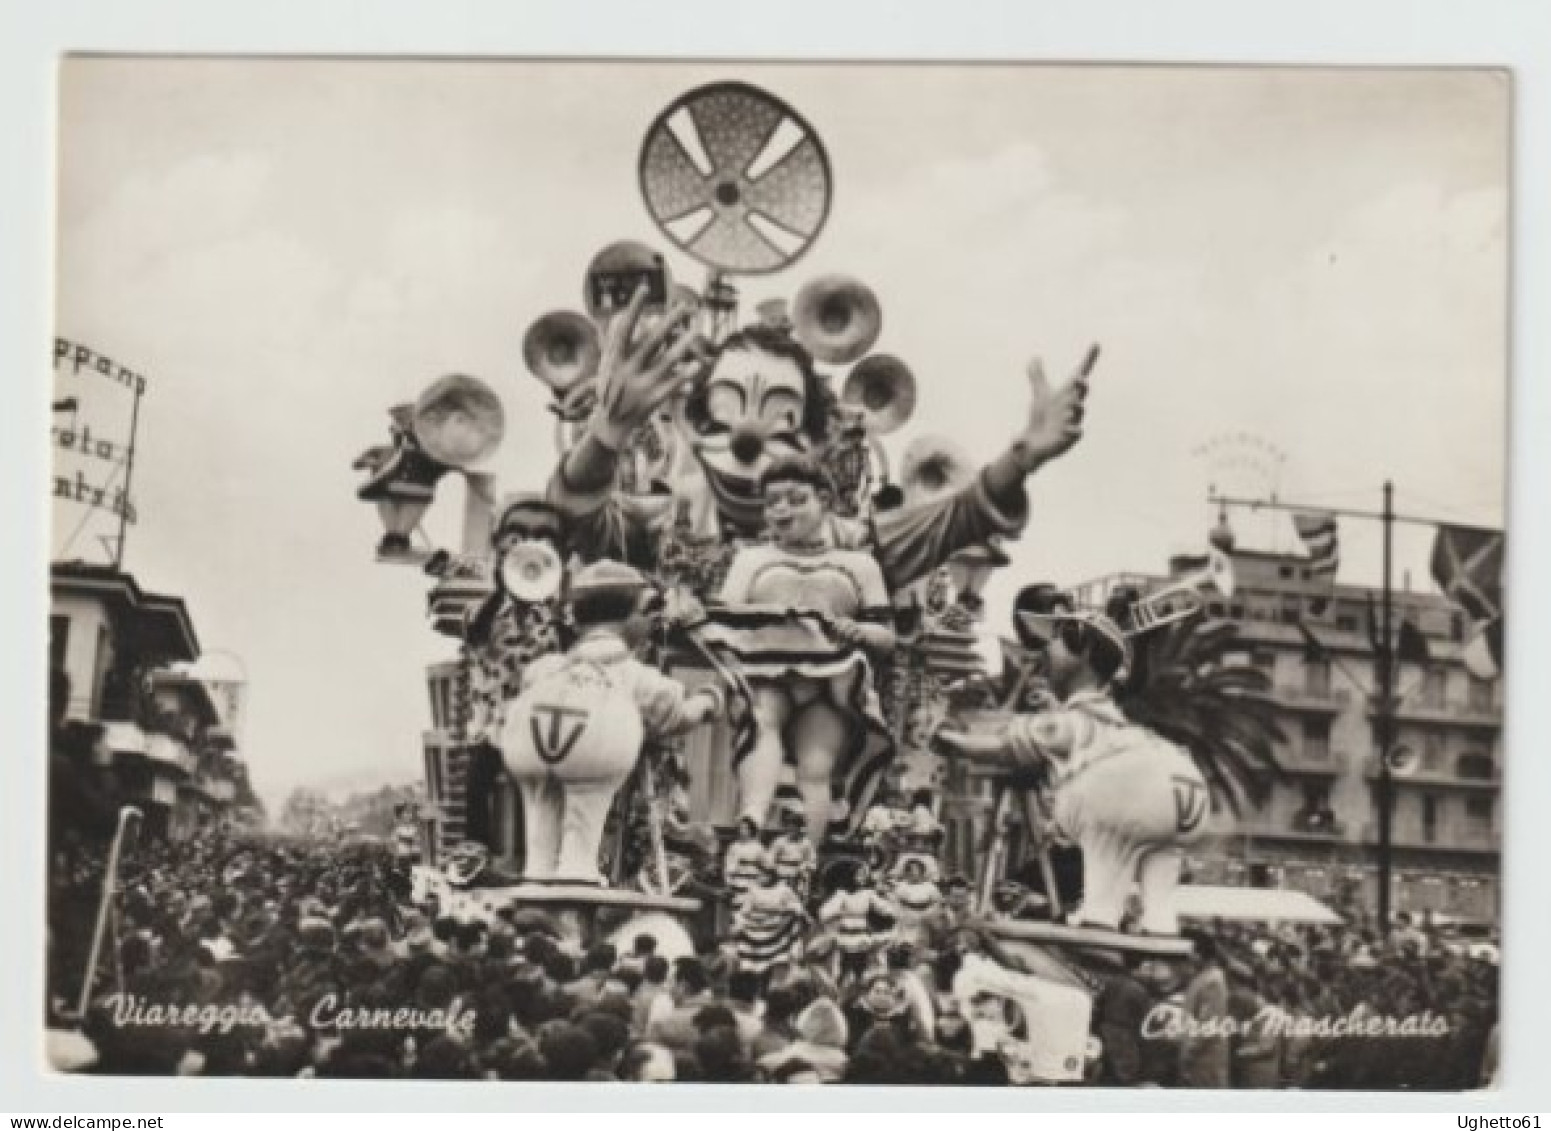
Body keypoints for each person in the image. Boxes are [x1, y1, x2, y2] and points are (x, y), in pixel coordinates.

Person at [936, 599, 1208, 934]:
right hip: (1186, 792)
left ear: (1083, 650)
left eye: (1054, 642)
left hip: (1135, 797)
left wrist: (944, 737)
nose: (1043, 654)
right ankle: (1160, 923)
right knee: (1157, 870)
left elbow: (1001, 746)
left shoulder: (1074, 723)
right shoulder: (1116, 725)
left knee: (1103, 843)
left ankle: (1100, 917)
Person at [699, 454, 897, 842]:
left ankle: (807, 855)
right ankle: (750, 825)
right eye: (772, 502)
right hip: (768, 671)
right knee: (761, 720)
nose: (782, 510)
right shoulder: (751, 559)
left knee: (816, 765)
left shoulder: (858, 565)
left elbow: (887, 638)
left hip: (832, 680)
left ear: (824, 500)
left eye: (795, 499)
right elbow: (723, 621)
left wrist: (858, 630)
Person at [501, 561, 725, 884]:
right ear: (632, 618)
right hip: (594, 749)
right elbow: (676, 715)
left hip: (530, 744)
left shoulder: (545, 667)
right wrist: (707, 701)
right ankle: (577, 876)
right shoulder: (632, 674)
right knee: (583, 822)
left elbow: (526, 685)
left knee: (542, 810)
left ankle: (537, 873)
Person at [722, 817, 770, 907]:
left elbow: (766, 867)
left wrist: (761, 881)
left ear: (751, 830)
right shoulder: (734, 847)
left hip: (753, 884)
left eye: (745, 828)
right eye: (740, 828)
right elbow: (728, 866)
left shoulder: (758, 847)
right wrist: (728, 882)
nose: (742, 831)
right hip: (737, 884)